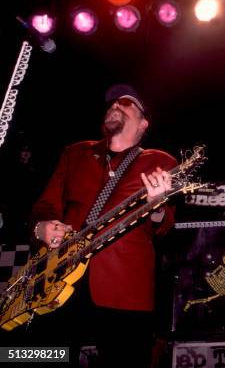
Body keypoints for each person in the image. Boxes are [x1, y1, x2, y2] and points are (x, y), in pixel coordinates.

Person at [27, 84, 177, 367]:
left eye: (126, 102)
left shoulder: (160, 161)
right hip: (57, 282)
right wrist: (41, 228)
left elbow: (165, 225)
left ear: (144, 123)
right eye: (111, 103)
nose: (115, 105)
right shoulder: (75, 153)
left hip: (124, 291)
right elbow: (44, 206)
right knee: (38, 356)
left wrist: (157, 206)